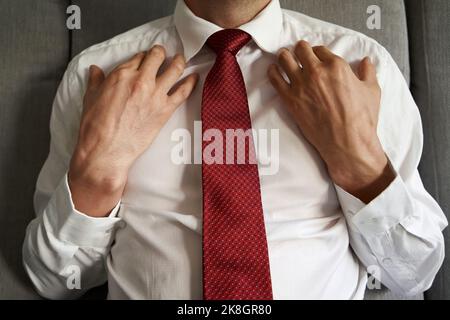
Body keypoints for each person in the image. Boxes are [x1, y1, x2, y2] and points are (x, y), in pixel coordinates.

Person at [23, 0, 447, 299]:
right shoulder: (97, 78)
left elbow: (413, 275)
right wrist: (98, 171)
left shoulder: (358, 67)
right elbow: (58, 282)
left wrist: (360, 163)